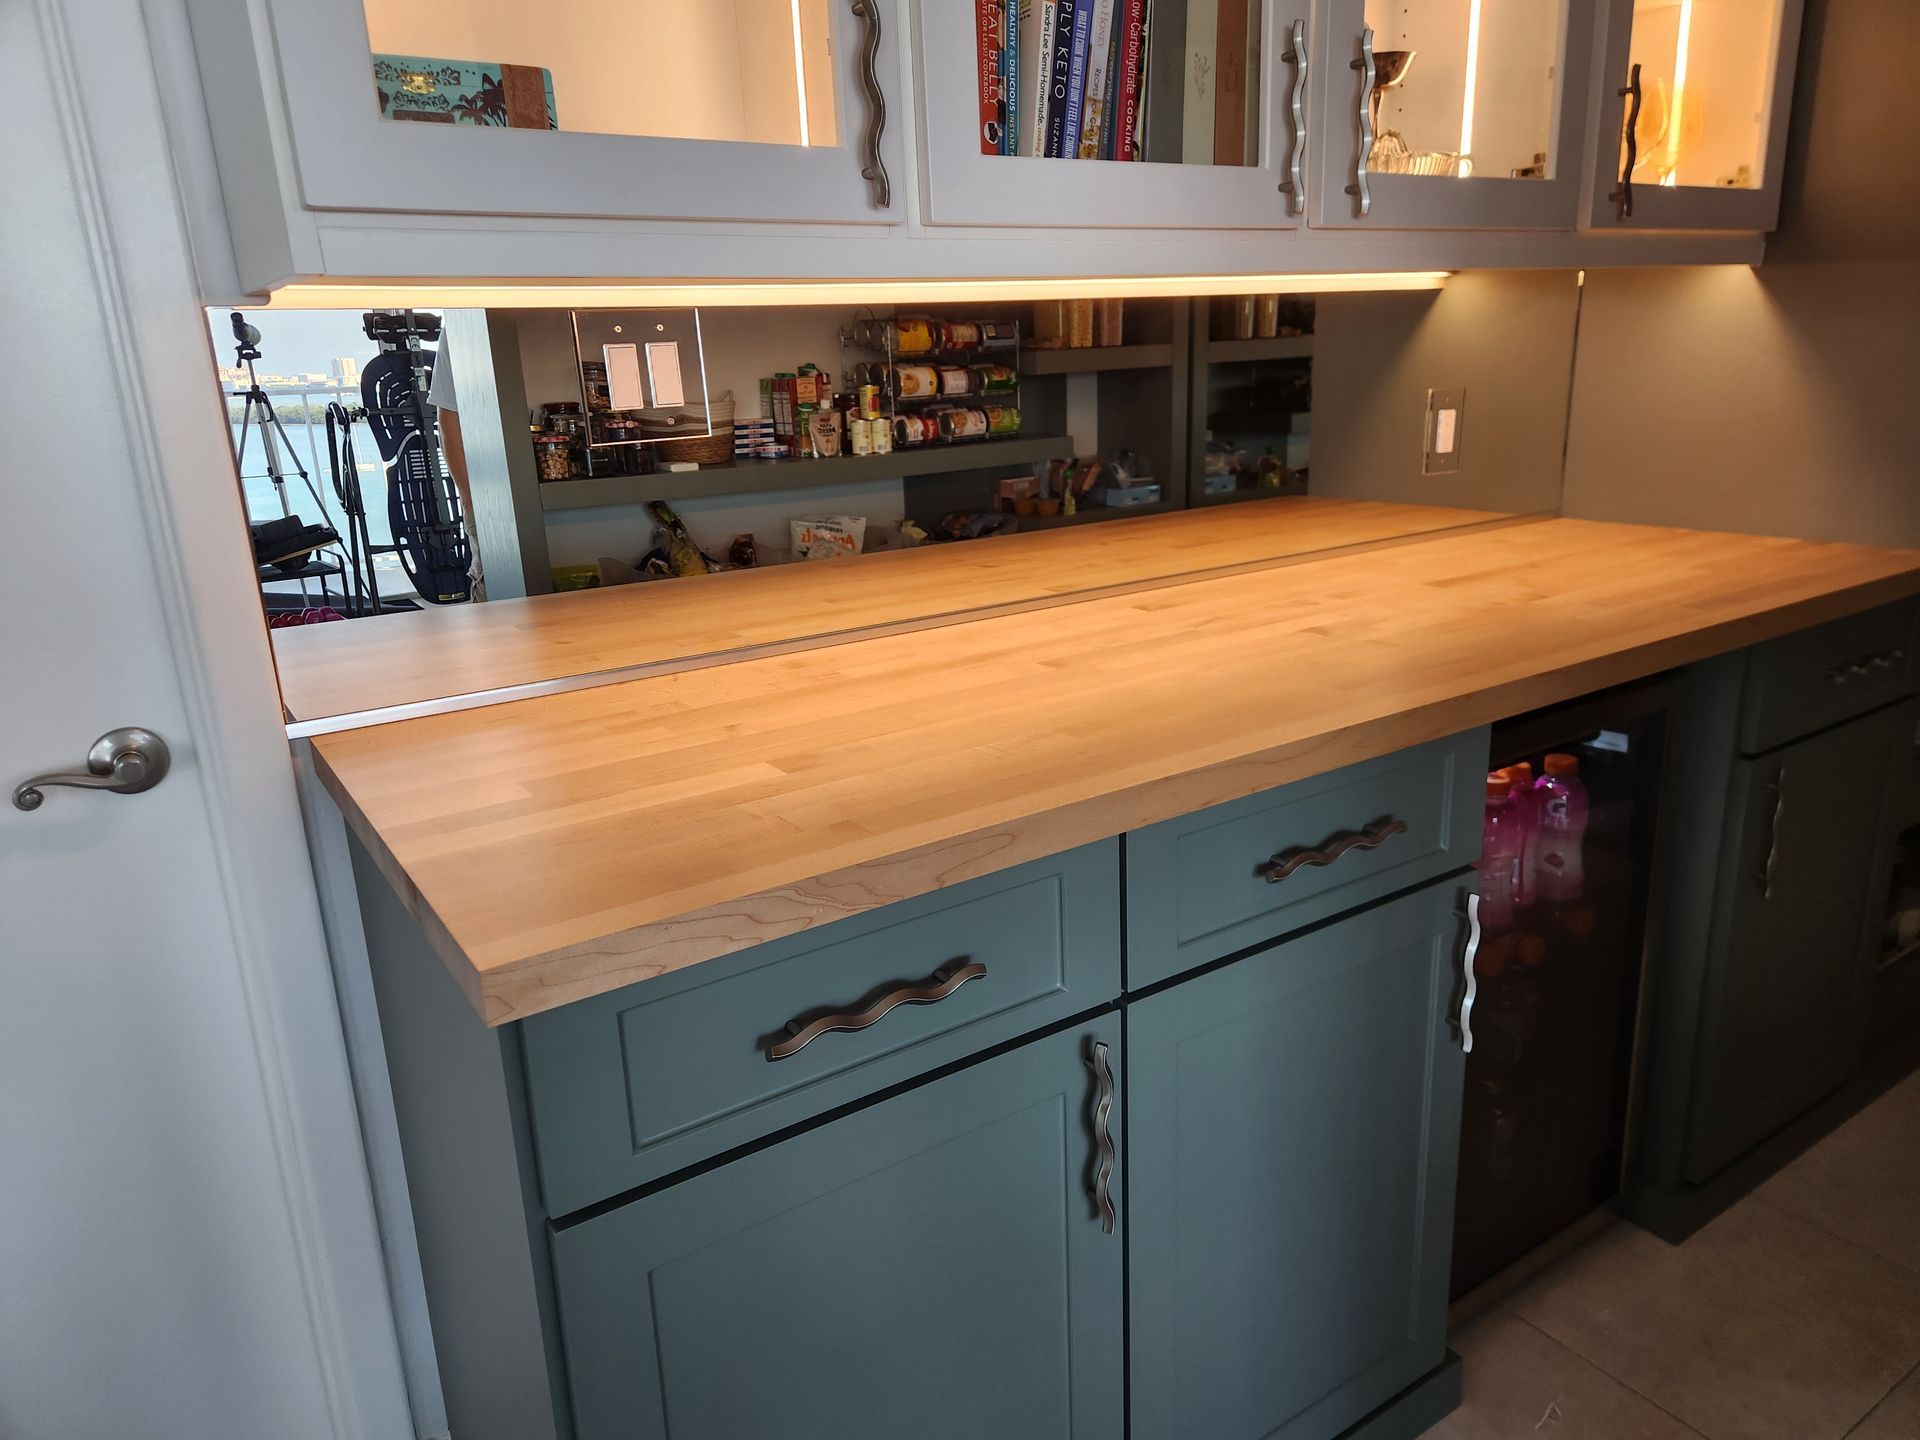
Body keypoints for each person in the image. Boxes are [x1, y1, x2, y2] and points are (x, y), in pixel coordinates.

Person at [426, 334, 486, 600]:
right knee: (493, 589)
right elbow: (449, 416)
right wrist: (469, 498)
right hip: (488, 493)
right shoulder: (461, 326)